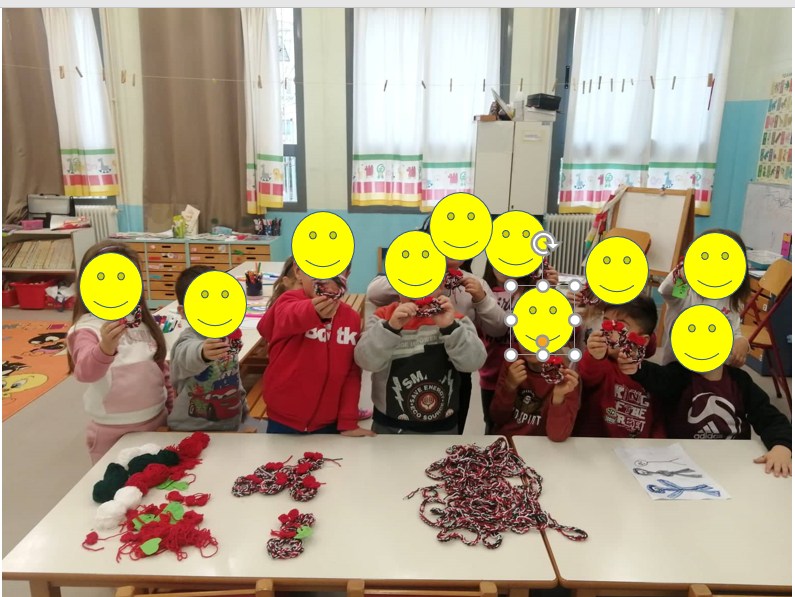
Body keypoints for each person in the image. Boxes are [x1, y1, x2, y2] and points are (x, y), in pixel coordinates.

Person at [365, 217, 505, 434]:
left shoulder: (473, 288)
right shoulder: (388, 311)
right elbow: (374, 292)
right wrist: (415, 277)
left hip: (453, 373)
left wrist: (481, 299)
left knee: (453, 427)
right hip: (394, 402)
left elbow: (493, 334)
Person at [67, 241, 173, 463]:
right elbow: (85, 372)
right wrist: (105, 348)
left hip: (157, 419)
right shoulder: (86, 328)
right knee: (114, 479)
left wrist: (171, 405)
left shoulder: (141, 321)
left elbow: (159, 367)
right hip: (112, 429)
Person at [625, 356, 792, 477]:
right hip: (684, 462)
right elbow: (656, 376)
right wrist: (636, 365)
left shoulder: (740, 381)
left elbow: (770, 417)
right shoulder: (677, 375)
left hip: (734, 461)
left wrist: (782, 446)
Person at [355, 281, 486, 434]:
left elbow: (474, 363)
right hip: (389, 426)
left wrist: (450, 328)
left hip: (443, 427)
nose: (417, 291)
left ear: (441, 286)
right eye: (409, 282)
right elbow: (366, 361)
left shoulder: (456, 320)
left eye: (426, 282)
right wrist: (390, 328)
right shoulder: (382, 318)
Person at [257, 265, 373, 436]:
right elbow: (269, 325)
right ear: (298, 272)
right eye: (316, 268)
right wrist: (311, 311)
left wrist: (348, 421)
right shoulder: (288, 301)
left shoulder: (352, 318)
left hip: (329, 421)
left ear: (346, 275)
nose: (326, 277)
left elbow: (351, 373)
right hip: (283, 420)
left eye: (335, 269)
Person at [479, 259, 559, 432]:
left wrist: (549, 290)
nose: (506, 268)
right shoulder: (483, 293)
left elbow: (547, 319)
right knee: (493, 423)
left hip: (526, 374)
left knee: (526, 420)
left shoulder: (531, 291)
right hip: (491, 375)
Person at [167, 265, 248, 432]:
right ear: (183, 312)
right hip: (189, 428)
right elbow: (186, 355)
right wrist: (202, 352)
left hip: (229, 424)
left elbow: (233, 375)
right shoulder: (187, 340)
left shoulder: (227, 336)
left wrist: (243, 405)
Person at [574, 295, 666, 438]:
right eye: (605, 322)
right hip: (596, 446)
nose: (609, 330)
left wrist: (657, 443)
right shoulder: (600, 363)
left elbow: (657, 419)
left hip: (640, 448)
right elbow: (587, 376)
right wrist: (594, 355)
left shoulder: (649, 375)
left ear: (643, 339)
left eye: (620, 326)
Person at [658, 229, 751, 367]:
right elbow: (668, 292)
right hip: (678, 366)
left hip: (713, 368)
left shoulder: (732, 299)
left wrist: (741, 342)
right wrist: (682, 276)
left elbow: (733, 330)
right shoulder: (686, 291)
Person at [489, 350, 580, 440]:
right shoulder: (513, 363)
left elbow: (557, 436)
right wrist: (509, 386)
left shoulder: (566, 378)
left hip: (540, 445)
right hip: (505, 442)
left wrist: (558, 397)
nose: (529, 346)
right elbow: (497, 418)